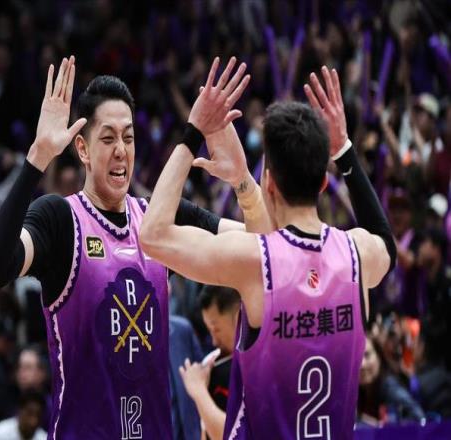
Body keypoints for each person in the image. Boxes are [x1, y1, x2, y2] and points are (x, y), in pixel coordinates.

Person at [0, 56, 244, 439]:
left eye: (128, 138)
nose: (121, 150)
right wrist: (38, 158)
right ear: (82, 150)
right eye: (108, 138)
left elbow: (261, 245)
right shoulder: (59, 219)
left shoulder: (158, 221)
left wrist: (244, 183)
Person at [140, 61, 397, 438]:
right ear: (323, 183)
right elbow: (385, 240)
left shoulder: (253, 260)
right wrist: (343, 148)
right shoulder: (359, 254)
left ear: (270, 182)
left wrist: (193, 131)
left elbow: (153, 234)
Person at [179, 286, 240, 440]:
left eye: (216, 329)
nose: (214, 341)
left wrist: (199, 391)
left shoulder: (265, 364)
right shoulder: (212, 362)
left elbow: (232, 435)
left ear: (239, 318)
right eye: (209, 331)